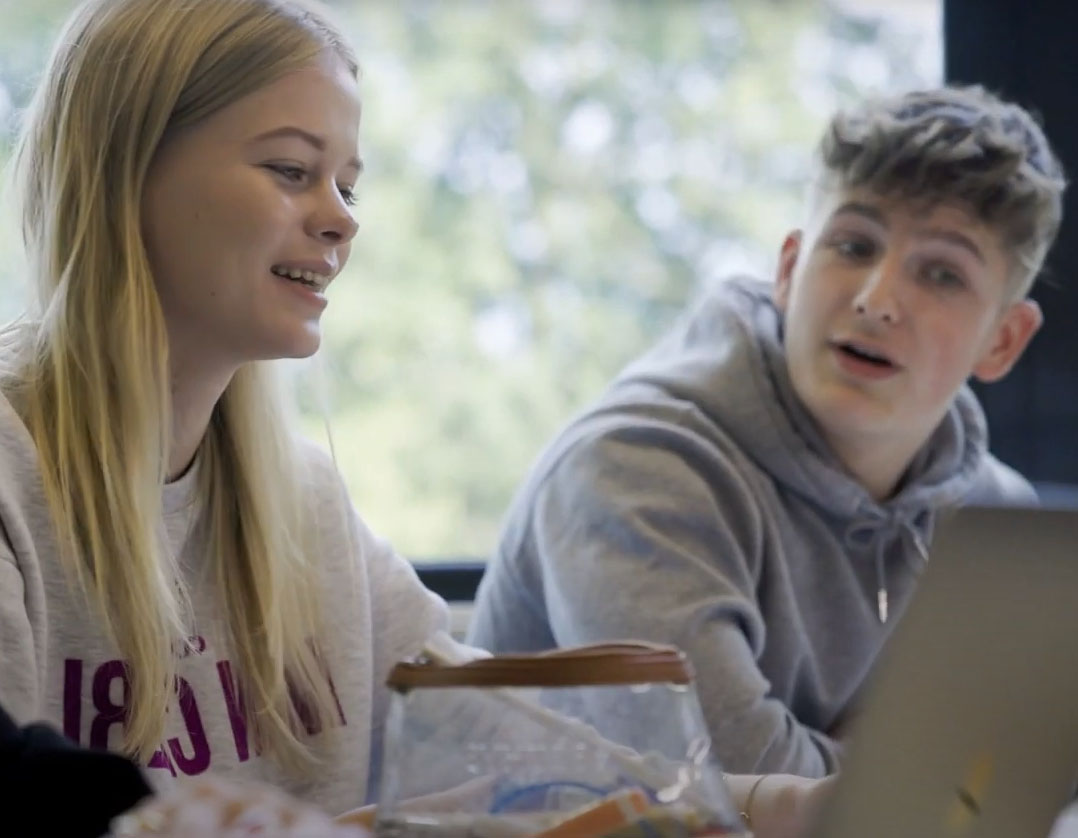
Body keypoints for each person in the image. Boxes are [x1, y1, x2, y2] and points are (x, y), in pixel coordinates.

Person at [0, 0, 828, 836]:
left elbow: (531, 757)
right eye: (292, 170)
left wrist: (793, 806)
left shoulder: (303, 504)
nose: (342, 218)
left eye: (348, 185)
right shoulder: (10, 481)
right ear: (124, 169)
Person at [469, 84, 1067, 777]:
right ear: (788, 269)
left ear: (1003, 341)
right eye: (852, 244)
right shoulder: (630, 471)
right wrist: (892, 761)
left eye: (941, 274)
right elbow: (727, 794)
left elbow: (1003, 788)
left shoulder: (999, 526)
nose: (877, 300)